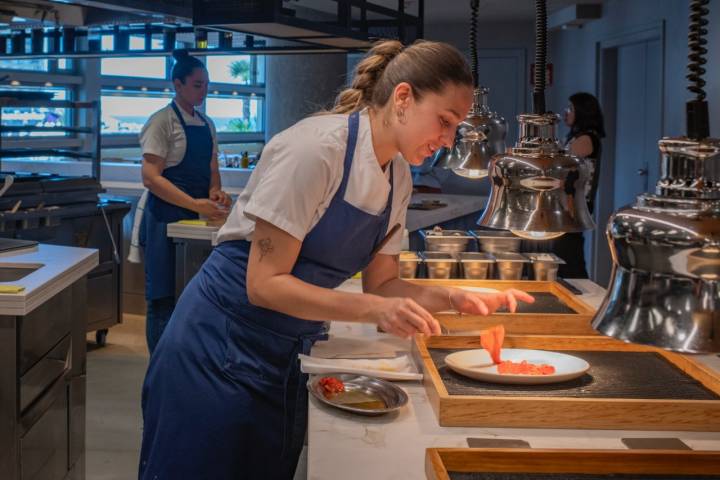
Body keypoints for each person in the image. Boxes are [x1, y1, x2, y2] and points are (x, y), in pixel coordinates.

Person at [138, 40, 534, 479]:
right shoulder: (315, 149)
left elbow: (381, 285)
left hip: (287, 353)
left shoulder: (397, 175)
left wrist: (455, 297)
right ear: (403, 98)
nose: (446, 140)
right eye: (444, 121)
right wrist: (379, 310)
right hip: (217, 347)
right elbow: (264, 283)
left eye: (455, 128)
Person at [138, 49, 231, 353]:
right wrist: (196, 204)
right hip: (164, 219)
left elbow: (212, 170)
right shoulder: (161, 122)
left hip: (195, 222)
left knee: (194, 296)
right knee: (164, 297)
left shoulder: (207, 124)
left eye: (206, 85)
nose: (203, 91)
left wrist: (215, 192)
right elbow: (151, 178)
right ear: (177, 84)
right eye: (197, 85)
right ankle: (161, 366)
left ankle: (187, 362)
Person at [553, 91, 605, 278]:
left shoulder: (587, 138)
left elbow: (561, 161)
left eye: (571, 109)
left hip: (574, 203)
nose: (566, 112)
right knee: (565, 248)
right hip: (569, 202)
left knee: (568, 251)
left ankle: (578, 288)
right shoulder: (578, 136)